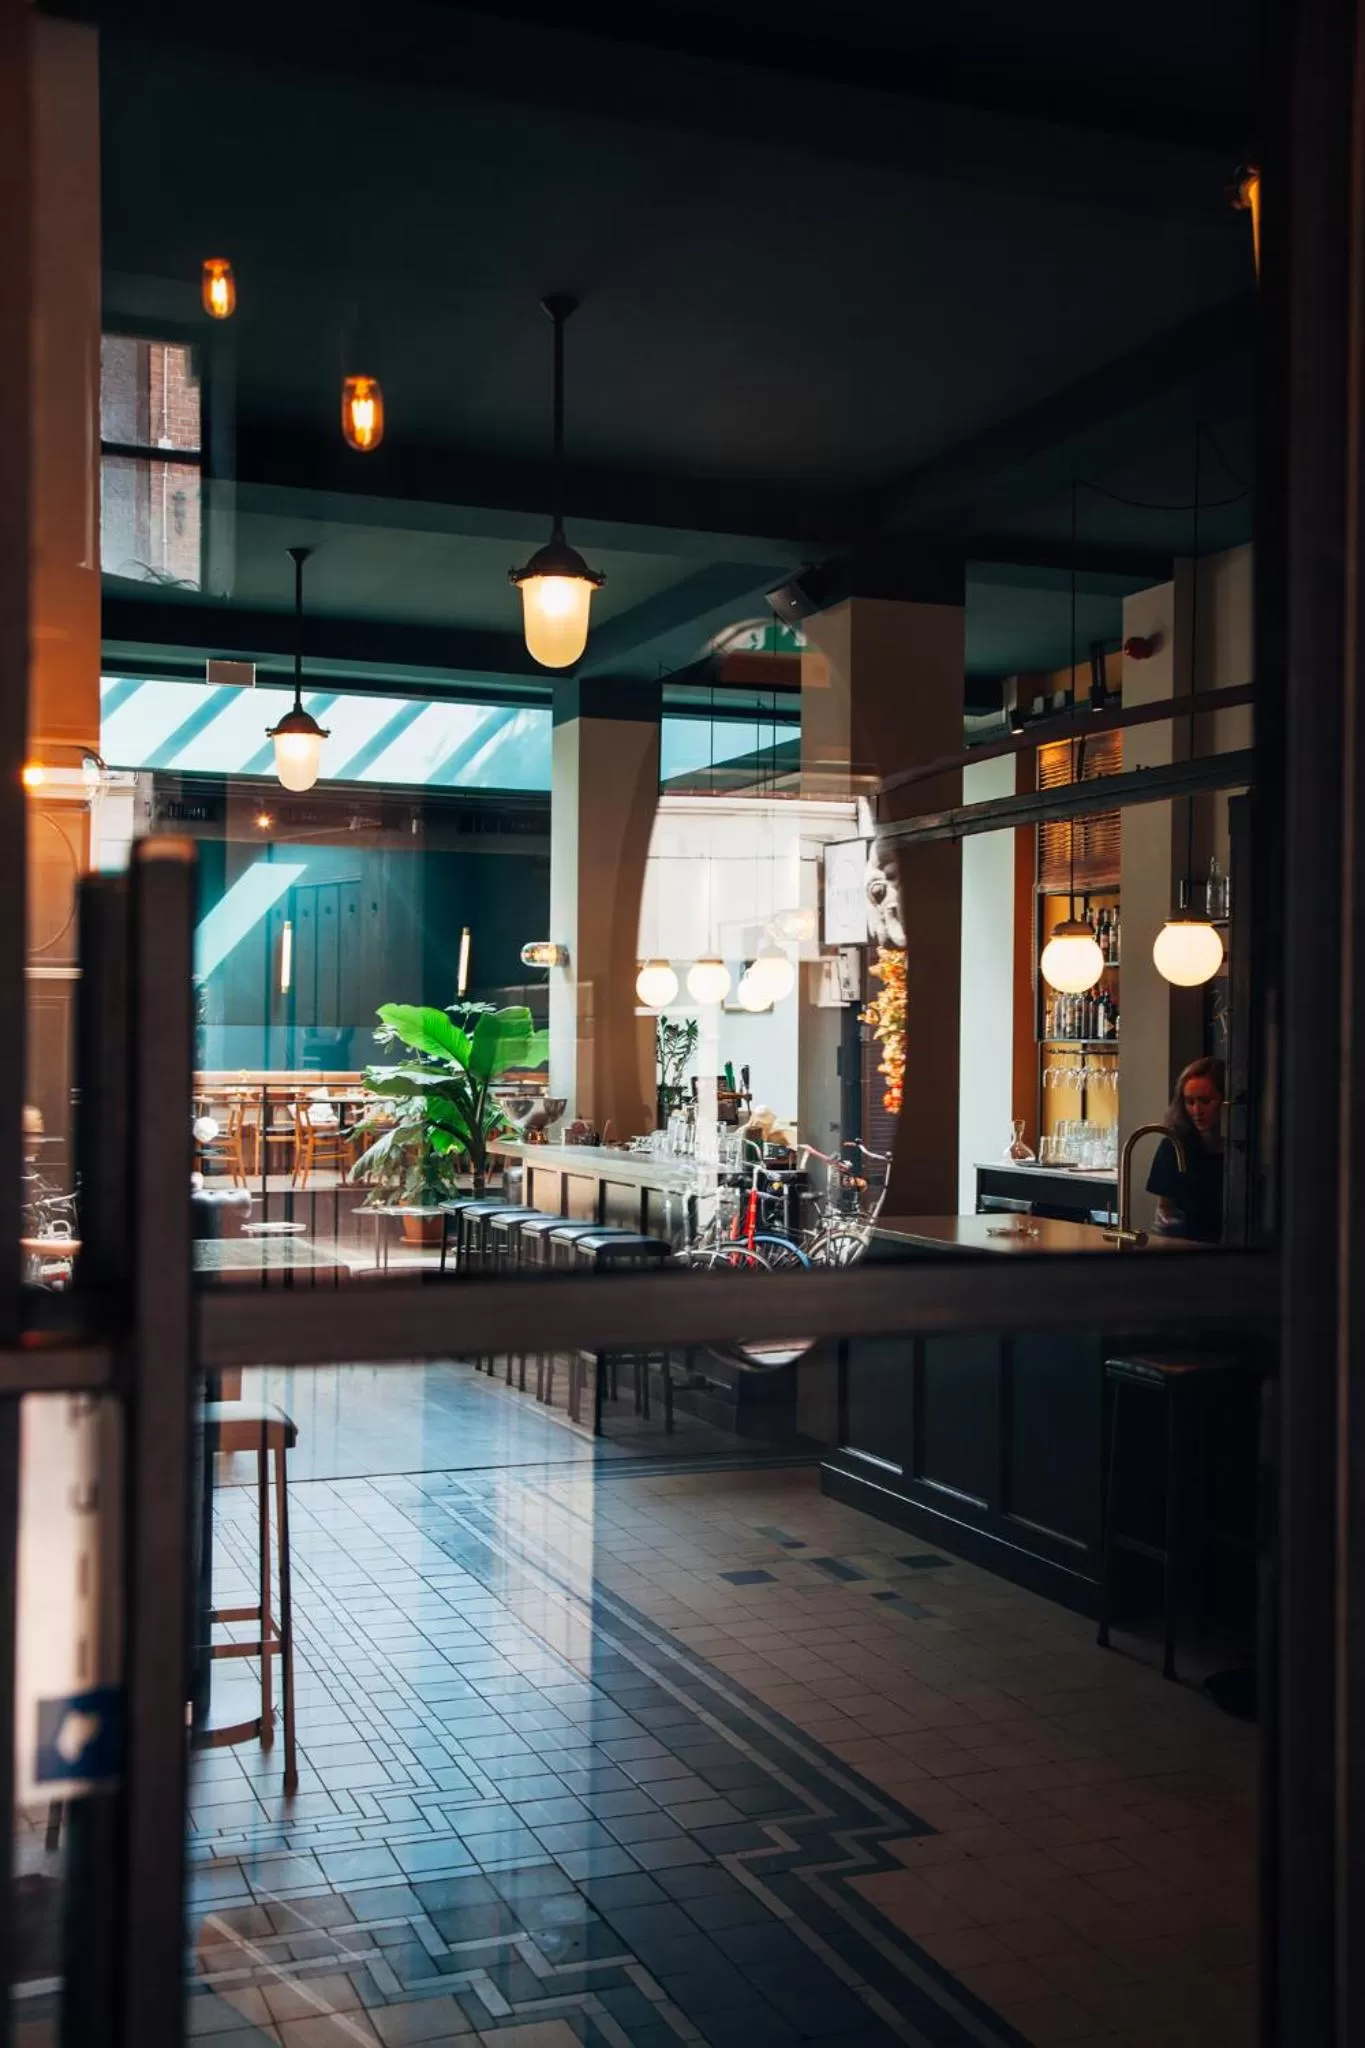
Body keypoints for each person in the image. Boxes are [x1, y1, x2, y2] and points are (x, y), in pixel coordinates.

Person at [1147, 1055, 1226, 1242]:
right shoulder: (1175, 1144)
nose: (1197, 1111)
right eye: (1190, 1102)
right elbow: (1164, 1210)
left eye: (1205, 1101)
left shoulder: (1245, 1148)